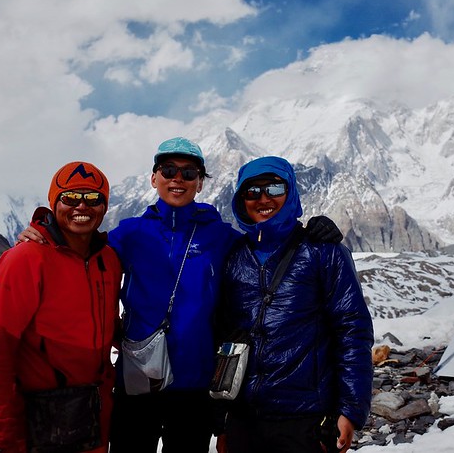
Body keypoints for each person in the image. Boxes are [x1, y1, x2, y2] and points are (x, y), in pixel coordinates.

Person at [17, 137, 343, 453]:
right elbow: (82, 252)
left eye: (189, 173)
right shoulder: (130, 233)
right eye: (169, 170)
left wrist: (310, 231)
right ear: (154, 178)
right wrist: (45, 228)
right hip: (137, 380)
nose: (178, 179)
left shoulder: (221, 236)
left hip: (196, 386)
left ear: (200, 183)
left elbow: (266, 250)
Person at [215, 156, 373, 453]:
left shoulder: (324, 252)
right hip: (243, 417)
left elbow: (352, 331)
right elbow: (221, 333)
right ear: (240, 199)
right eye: (252, 191)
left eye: (274, 189)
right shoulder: (234, 256)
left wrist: (351, 410)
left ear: (291, 193)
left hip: (306, 418)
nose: (263, 199)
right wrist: (222, 419)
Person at [0, 161, 121, 453]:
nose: (81, 206)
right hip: (39, 424)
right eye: (70, 197)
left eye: (93, 198)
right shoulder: (25, 260)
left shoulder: (108, 259)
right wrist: (1, 437)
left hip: (94, 420)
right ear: (54, 203)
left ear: (104, 206)